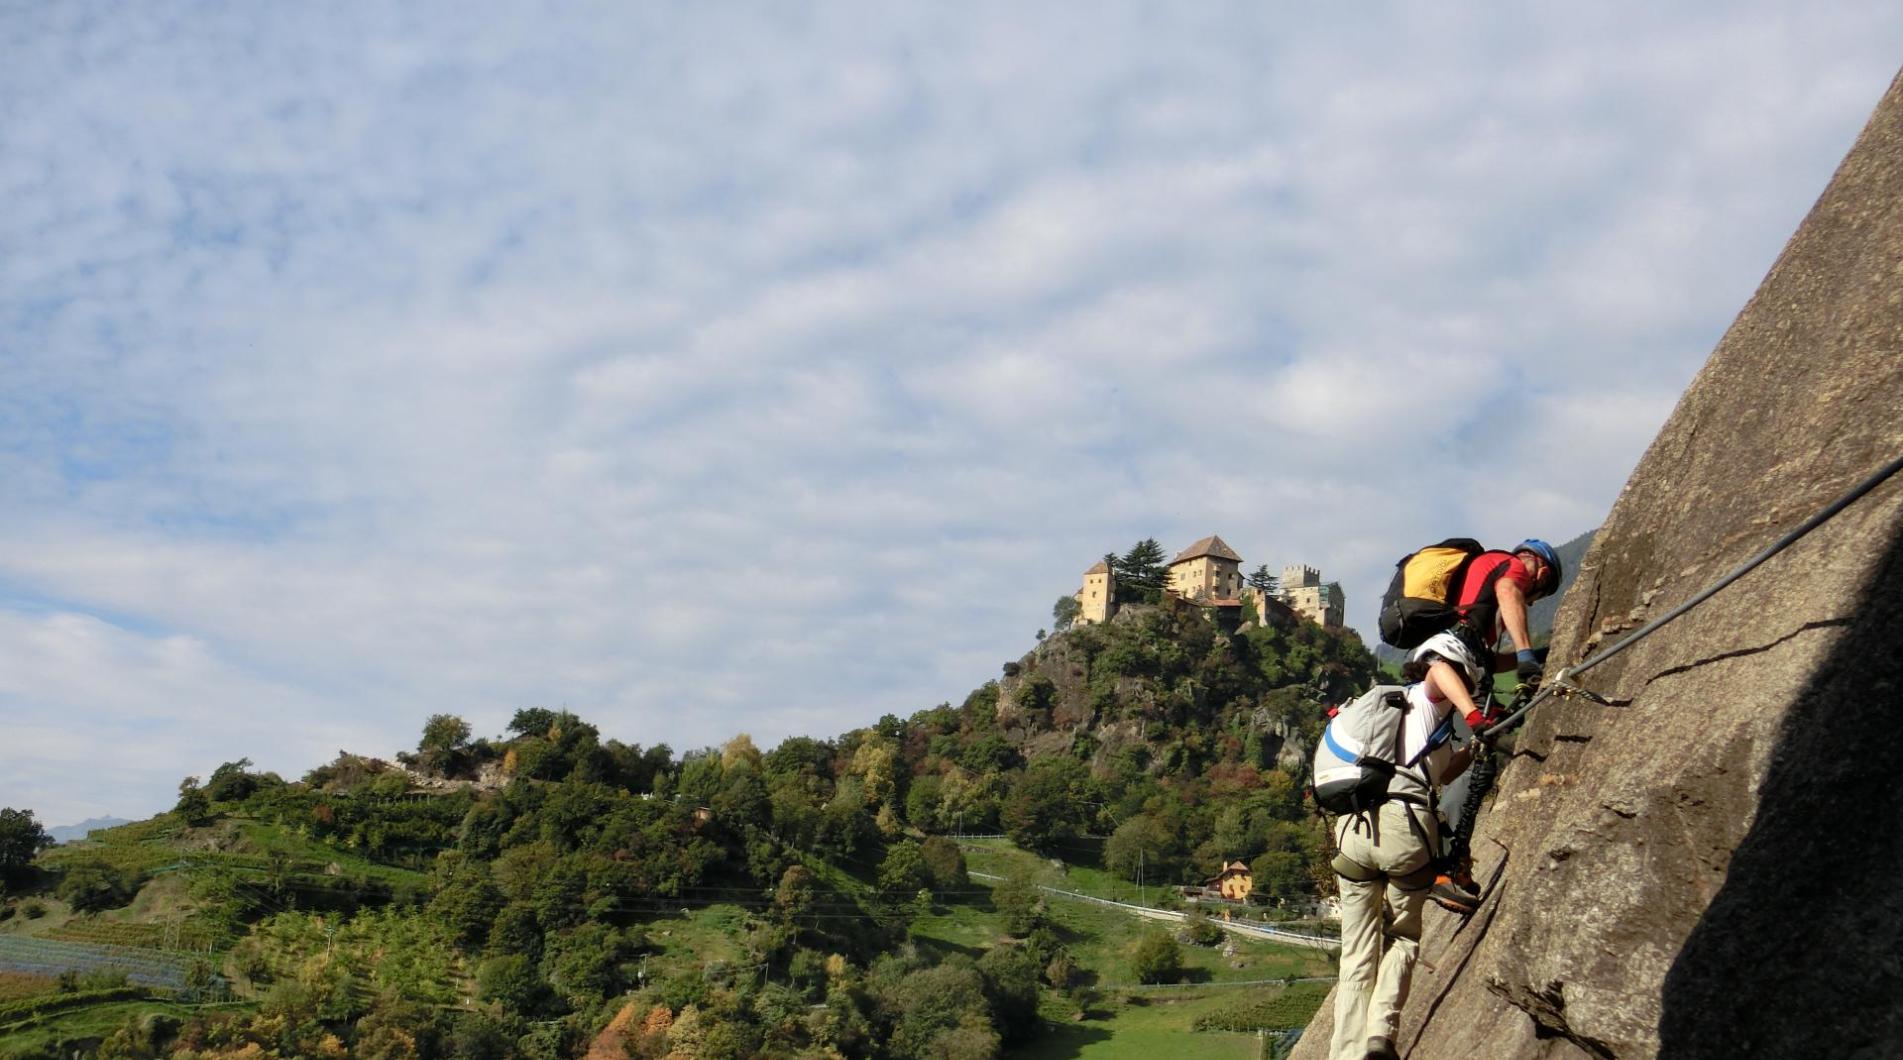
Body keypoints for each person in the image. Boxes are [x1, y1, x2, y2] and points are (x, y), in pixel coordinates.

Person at [1329, 632, 1487, 1060]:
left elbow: (1442, 774)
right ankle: (1379, 1037)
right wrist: (1474, 715)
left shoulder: (1390, 711)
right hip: (1404, 829)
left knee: (1356, 954)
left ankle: (1345, 1054)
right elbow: (1440, 669)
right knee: (1402, 937)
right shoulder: (1429, 698)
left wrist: (1472, 748)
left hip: (1355, 828)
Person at [1451, 539, 1562, 690]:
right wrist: (1525, 655)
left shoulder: (1491, 592)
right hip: (1451, 654)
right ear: (1542, 575)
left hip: (1443, 658)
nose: (1530, 603)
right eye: (1540, 596)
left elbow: (1487, 660)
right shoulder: (1514, 566)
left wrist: (1539, 655)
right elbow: (1507, 590)